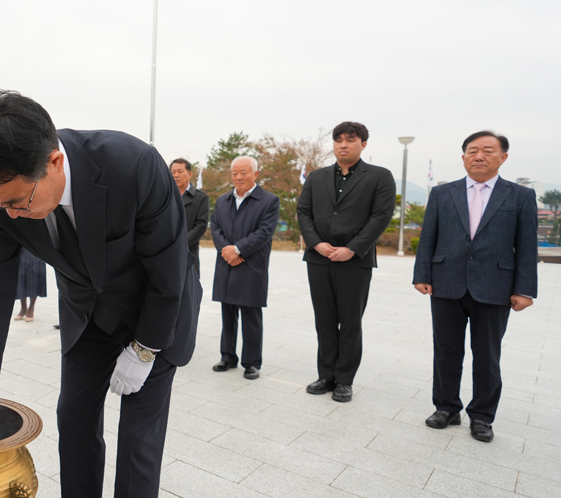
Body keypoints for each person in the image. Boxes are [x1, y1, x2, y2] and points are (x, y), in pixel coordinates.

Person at [0, 90, 201, 498]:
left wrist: (145, 349)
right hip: (88, 318)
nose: (10, 214)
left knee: (138, 444)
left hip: (157, 314)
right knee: (75, 421)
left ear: (54, 162)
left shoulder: (132, 165)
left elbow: (170, 271)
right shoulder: (0, 198)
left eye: (19, 201)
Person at [413, 130, 537, 443]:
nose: (479, 156)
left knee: (487, 355)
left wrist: (524, 289)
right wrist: (422, 274)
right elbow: (429, 236)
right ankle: (446, 407)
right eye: (472, 150)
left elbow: (526, 245)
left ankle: (482, 416)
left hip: (495, 285)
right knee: (445, 351)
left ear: (503, 157)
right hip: (446, 283)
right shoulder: (443, 193)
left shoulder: (519, 196)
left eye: (487, 150)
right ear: (464, 156)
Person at [297, 122, 396, 403]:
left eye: (350, 140)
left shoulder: (379, 177)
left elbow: (380, 216)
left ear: (363, 144)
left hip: (355, 261)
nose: (343, 144)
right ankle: (325, 375)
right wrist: (316, 243)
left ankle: (344, 380)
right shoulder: (316, 177)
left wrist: (352, 249)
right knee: (324, 321)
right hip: (319, 259)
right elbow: (303, 212)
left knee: (350, 322)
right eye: (338, 140)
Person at [210, 155, 279, 380]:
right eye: (234, 173)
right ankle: (227, 356)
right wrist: (227, 251)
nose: (238, 177)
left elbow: (264, 233)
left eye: (244, 173)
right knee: (227, 314)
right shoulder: (223, 200)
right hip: (227, 265)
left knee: (251, 316)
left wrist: (238, 249)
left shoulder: (269, 201)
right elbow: (216, 228)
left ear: (255, 174)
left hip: (251, 265)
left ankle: (252, 362)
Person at [170, 158, 209, 276]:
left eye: (180, 171)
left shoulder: (200, 197)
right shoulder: (165, 196)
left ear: (190, 174)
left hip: (188, 252)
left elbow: (201, 225)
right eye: (173, 172)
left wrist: (180, 244)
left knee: (189, 289)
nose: (176, 175)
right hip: (165, 252)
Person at [14, 249, 47, 322]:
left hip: (35, 248)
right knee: (21, 278)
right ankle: (23, 307)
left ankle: (31, 307)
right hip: (21, 248)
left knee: (33, 278)